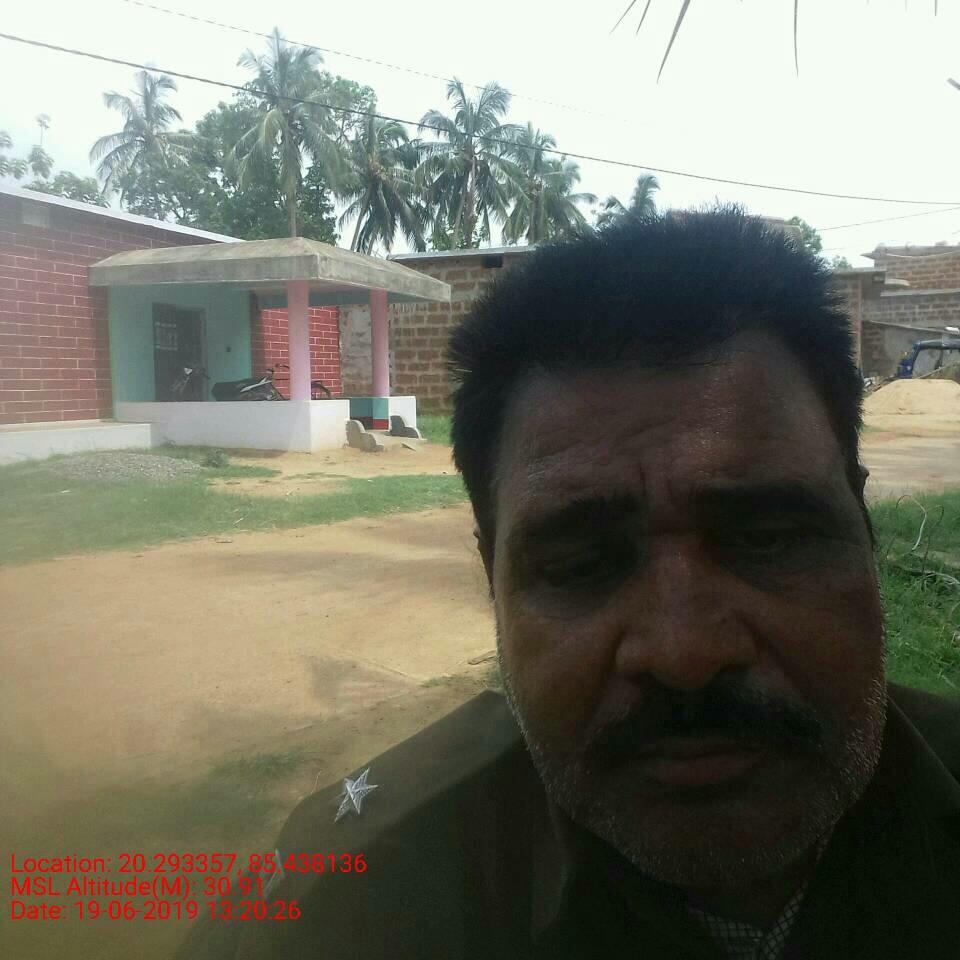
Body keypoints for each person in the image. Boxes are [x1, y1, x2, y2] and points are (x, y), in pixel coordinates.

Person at [178, 209, 960, 959]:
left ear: (863, 528)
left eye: (769, 540)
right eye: (579, 565)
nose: (685, 654)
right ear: (493, 581)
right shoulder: (342, 912)